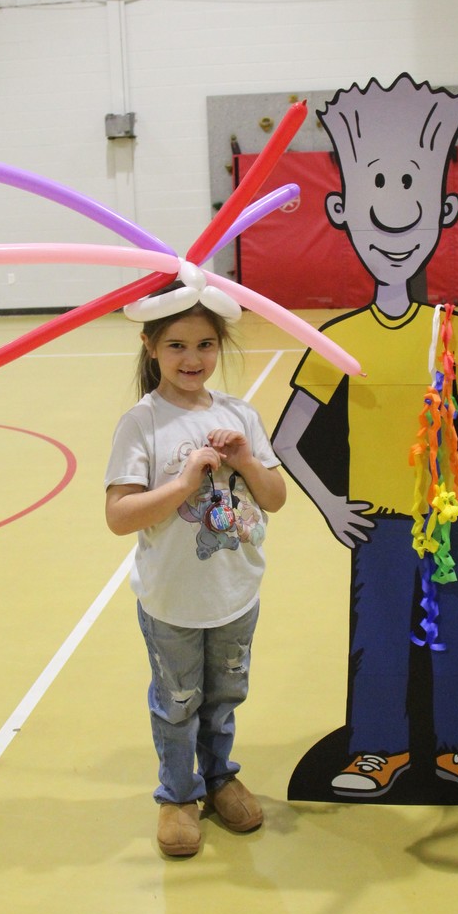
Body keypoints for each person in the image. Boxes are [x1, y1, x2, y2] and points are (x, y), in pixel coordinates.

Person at [273, 74, 458, 803]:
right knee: (377, 638)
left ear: (443, 210)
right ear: (342, 212)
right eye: (375, 191)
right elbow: (286, 439)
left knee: (456, 635)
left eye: (410, 191)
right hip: (378, 524)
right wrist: (330, 505)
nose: (394, 215)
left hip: (444, 520)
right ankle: (376, 750)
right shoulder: (339, 338)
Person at [104, 266, 286, 858]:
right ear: (150, 346)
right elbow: (119, 515)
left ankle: (219, 777)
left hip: (235, 594)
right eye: (177, 345)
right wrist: (184, 483)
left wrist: (247, 462)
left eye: (205, 344)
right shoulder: (142, 423)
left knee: (224, 695)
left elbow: (274, 498)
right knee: (178, 702)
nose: (192, 358)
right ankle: (178, 794)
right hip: (173, 600)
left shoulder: (241, 415)